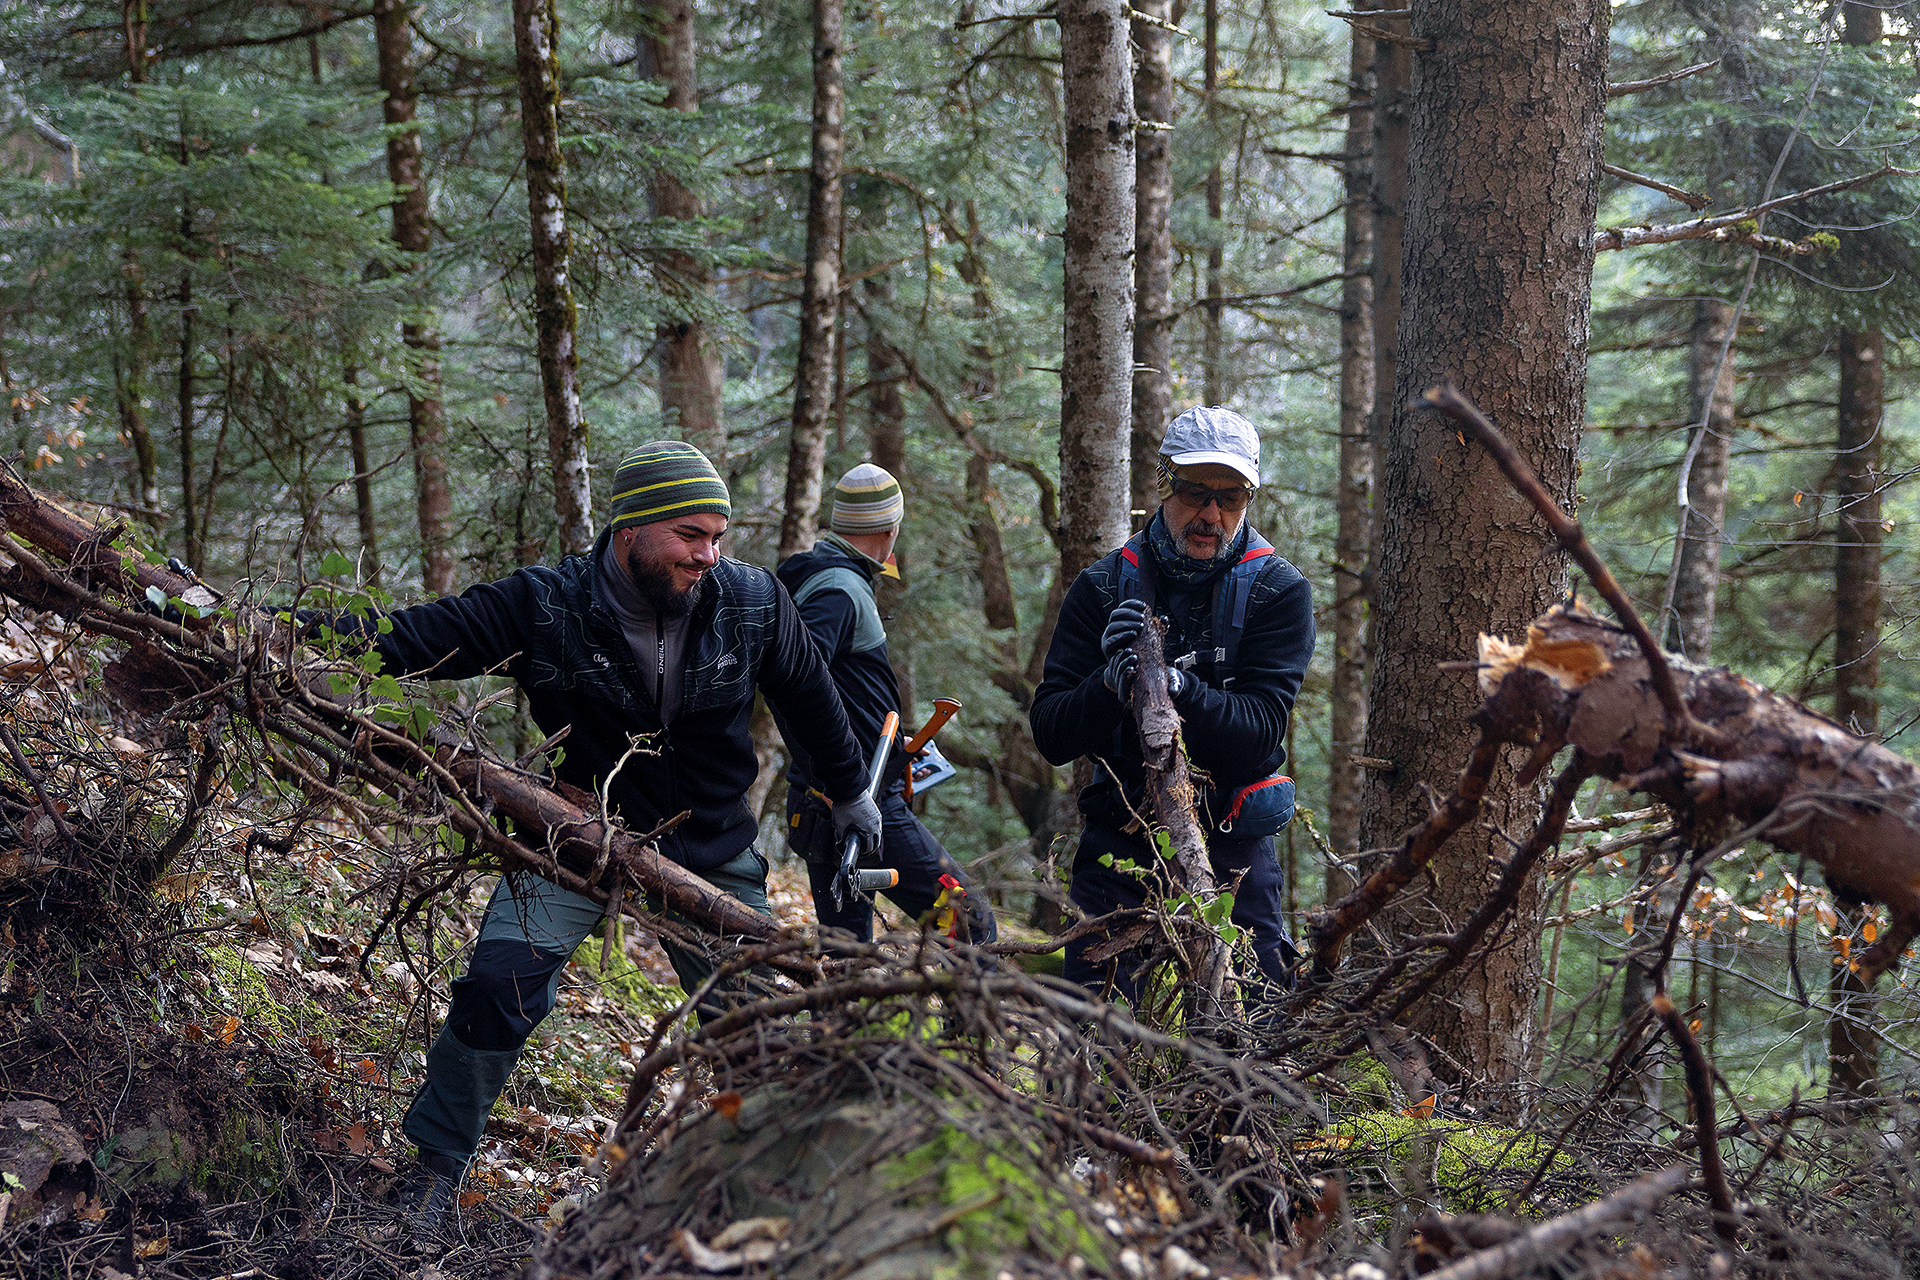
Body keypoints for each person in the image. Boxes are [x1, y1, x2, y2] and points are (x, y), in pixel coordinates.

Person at [325, 441, 882, 1242]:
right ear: (632, 529)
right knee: (496, 987)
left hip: (713, 850)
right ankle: (434, 1173)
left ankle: (769, 1205)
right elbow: (408, 639)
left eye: (718, 536)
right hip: (574, 836)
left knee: (758, 1032)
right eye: (691, 534)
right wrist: (249, 623)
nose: (709, 554)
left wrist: (854, 794)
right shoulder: (542, 605)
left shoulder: (753, 602)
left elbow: (813, 697)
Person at [1029, 406, 1313, 1012]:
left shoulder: (1277, 592)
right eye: (1195, 492)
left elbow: (1260, 732)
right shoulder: (1104, 587)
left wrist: (1178, 688)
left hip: (1233, 834)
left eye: (1231, 497)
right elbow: (1051, 734)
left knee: (1255, 1028)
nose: (1211, 514)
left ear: (1249, 499)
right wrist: (1109, 686)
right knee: (1095, 1032)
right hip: (1121, 835)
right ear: (1165, 484)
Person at [773, 464, 997, 944]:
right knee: (968, 921)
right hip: (855, 802)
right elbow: (794, 685)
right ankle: (969, 1021)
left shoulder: (832, 579)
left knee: (848, 952)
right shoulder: (836, 590)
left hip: (840, 801)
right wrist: (842, 784)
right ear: (891, 528)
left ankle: (844, 1022)